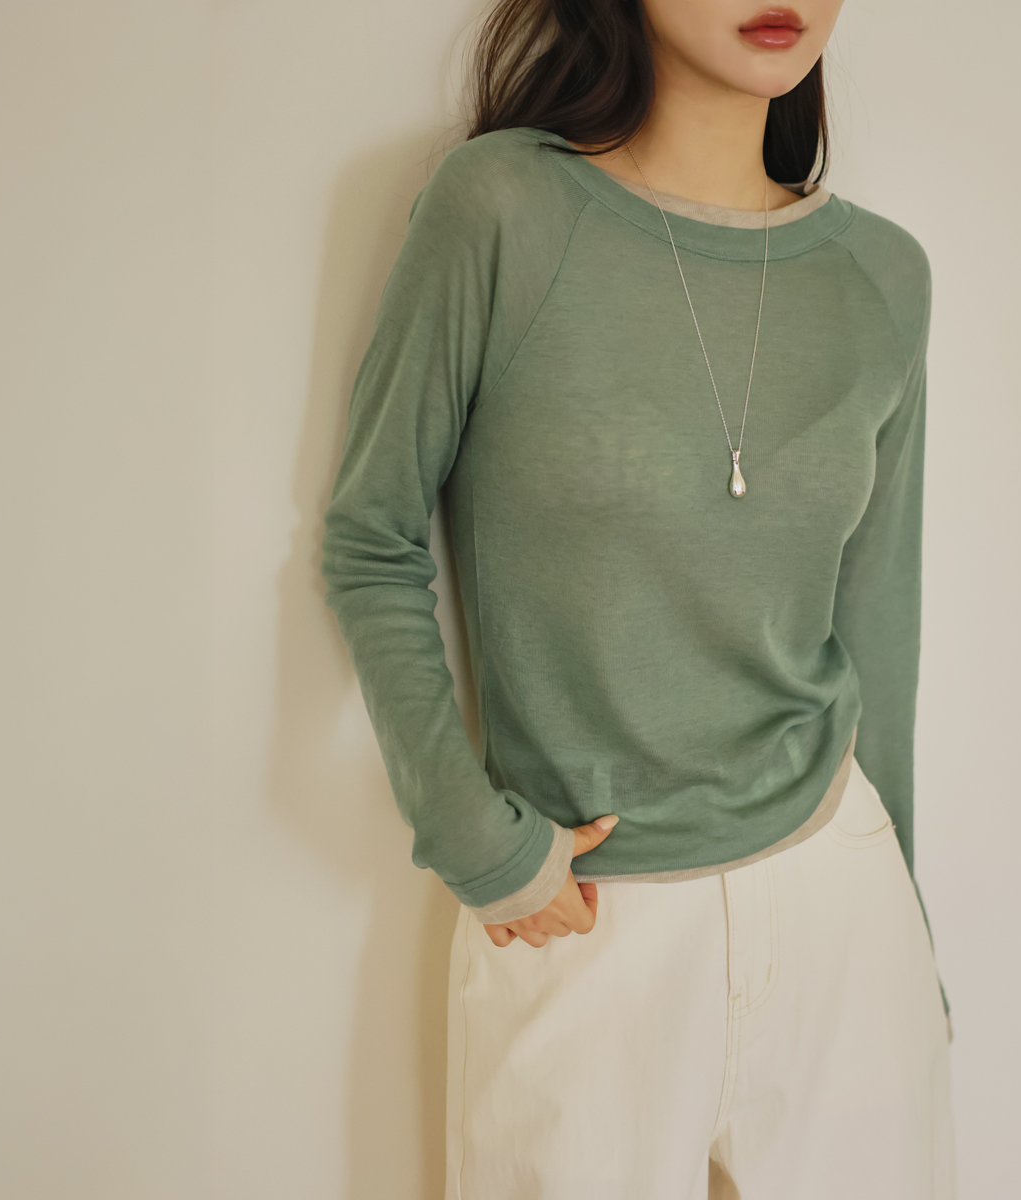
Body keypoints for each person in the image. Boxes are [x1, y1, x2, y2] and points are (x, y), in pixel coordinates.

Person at [320, 0, 956, 1194]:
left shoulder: (883, 276)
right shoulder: (504, 208)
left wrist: (909, 940)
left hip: (839, 902)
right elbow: (372, 536)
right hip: (582, 917)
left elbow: (879, 623)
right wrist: (474, 836)